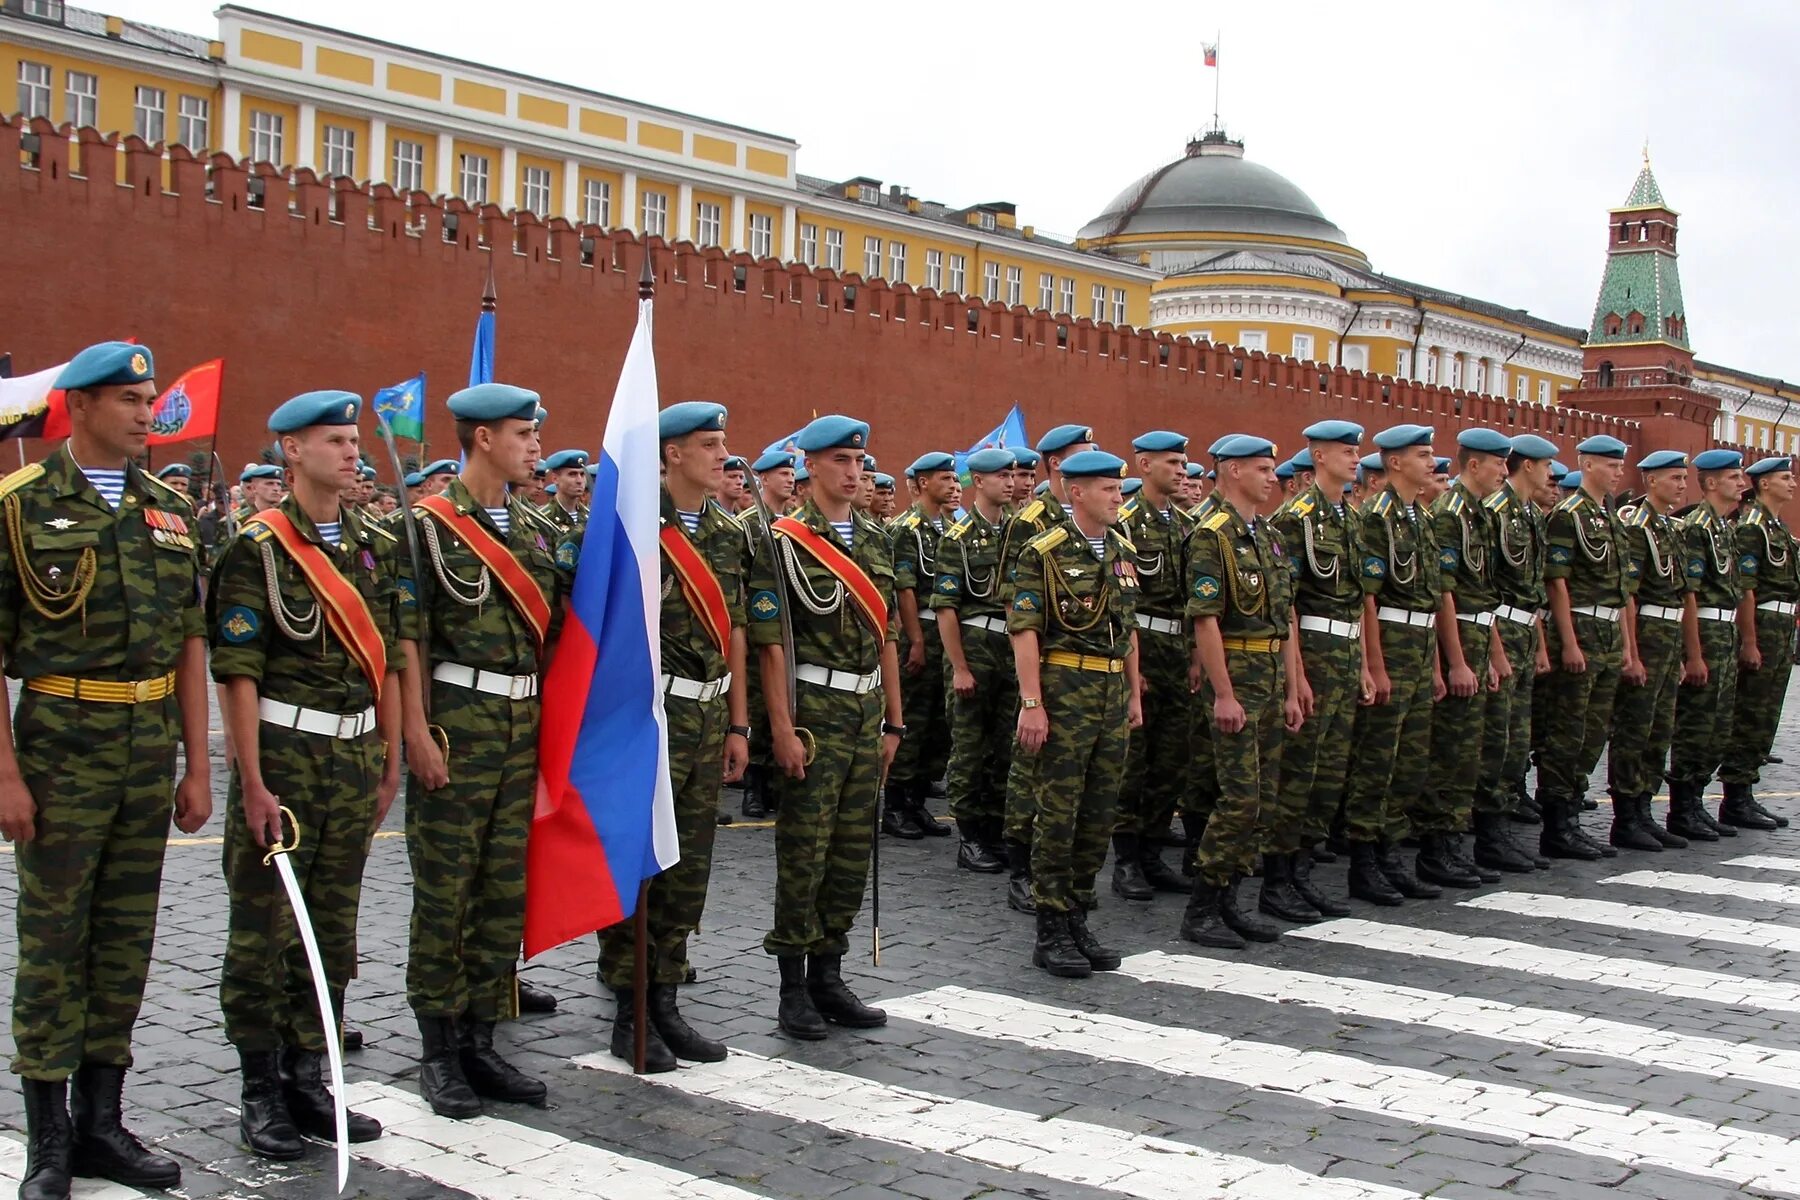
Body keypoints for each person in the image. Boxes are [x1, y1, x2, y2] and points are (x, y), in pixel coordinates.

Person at [0, 341, 211, 1197]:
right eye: (130, 399)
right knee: (54, 941)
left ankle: (103, 1123)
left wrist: (199, 765)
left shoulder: (169, 511)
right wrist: (5, 775)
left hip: (146, 743)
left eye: (151, 398)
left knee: (126, 941)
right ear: (79, 406)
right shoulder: (18, 505)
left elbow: (192, 643)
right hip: (59, 741)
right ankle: (47, 1138)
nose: (146, 413)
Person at [208, 389, 400, 1158]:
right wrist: (250, 779)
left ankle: (309, 1078)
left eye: (354, 441)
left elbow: (387, 657)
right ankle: (260, 1090)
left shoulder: (372, 545)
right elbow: (239, 674)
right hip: (284, 758)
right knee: (263, 930)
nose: (352, 452)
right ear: (291, 451)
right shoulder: (255, 549)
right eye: (334, 441)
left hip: (352, 758)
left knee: (332, 926)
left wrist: (386, 755)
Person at [398, 382, 571, 1117]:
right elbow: (407, 640)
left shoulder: (534, 529)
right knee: (446, 894)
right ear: (481, 440)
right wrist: (414, 734)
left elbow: (558, 632)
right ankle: (439, 1052)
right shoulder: (428, 529)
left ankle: (480, 1038)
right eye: (522, 433)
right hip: (457, 726)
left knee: (502, 893)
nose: (534, 445)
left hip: (520, 727)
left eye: (534, 434)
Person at [598, 402, 749, 1071]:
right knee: (642, 867)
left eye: (723, 444)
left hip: (708, 715)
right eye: (708, 445)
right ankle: (629, 1011)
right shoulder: (633, 524)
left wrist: (739, 723)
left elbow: (735, 633)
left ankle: (665, 1001)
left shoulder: (726, 530)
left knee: (687, 872)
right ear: (671, 455)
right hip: (646, 717)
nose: (722, 456)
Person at [746, 415, 902, 1040]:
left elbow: (886, 633)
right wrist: (780, 729)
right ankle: (792, 984)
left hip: (866, 714)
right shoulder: (782, 541)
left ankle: (830, 973)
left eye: (858, 460)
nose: (852, 471)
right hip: (813, 711)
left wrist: (896, 720)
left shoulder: (874, 537)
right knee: (804, 852)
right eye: (838, 460)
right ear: (810, 467)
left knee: (850, 850)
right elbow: (770, 646)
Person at [1008, 450, 1142, 976]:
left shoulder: (1122, 550)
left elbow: (1127, 631)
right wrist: (1032, 703)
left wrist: (1134, 692)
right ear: (1077, 492)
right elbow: (1025, 630)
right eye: (1108, 489)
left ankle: (1078, 915)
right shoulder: (1043, 552)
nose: (1117, 498)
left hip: (1109, 690)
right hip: (1065, 688)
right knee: (1058, 814)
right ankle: (1050, 927)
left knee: (1099, 813)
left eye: (1119, 490)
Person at [1181, 435, 1299, 947]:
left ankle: (1231, 899)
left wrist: (1294, 688)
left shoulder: (1265, 534)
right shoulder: (1213, 536)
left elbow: (1284, 618)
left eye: (1272, 468)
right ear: (1231, 472)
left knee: (1264, 798)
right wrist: (1223, 693)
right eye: (1261, 468)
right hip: (1238, 675)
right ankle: (1202, 906)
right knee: (1239, 798)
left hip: (1271, 675)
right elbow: (1206, 621)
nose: (1272, 477)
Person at [1266, 420, 1366, 920]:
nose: (1355, 460)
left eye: (1356, 452)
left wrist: (1366, 663)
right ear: (1319, 458)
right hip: (1314, 653)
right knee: (1299, 772)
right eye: (1346, 452)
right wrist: (1297, 675)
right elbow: (1287, 607)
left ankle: (1302, 869)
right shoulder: (1296, 519)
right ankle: (1278, 877)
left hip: (1346, 655)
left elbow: (1359, 601)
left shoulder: (1349, 517)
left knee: (1328, 774)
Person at [996, 425, 1097, 913]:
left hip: (1092, 674)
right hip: (1046, 662)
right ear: (1058, 465)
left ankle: (1063, 872)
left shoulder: (1096, 523)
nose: (1092, 460)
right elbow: (1011, 600)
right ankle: (1022, 866)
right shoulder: (1032, 522)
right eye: (1084, 455)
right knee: (1029, 769)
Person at [1343, 424, 1444, 904]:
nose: (1432, 463)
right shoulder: (1375, 518)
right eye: (1423, 455)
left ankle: (1390, 853)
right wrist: (1376, 666)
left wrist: (1439, 666)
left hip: (1421, 646)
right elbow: (1368, 600)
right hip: (1393, 641)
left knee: (1410, 760)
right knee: (1378, 758)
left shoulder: (1419, 518)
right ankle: (1365, 861)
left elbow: (1431, 599)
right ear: (1396, 463)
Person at [1419, 429, 1515, 885]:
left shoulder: (1481, 515)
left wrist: (1494, 654)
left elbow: (1485, 597)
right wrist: (1456, 662)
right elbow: (1445, 593)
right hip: (1455, 639)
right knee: (1451, 749)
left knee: (1473, 750)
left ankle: (1456, 842)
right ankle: (1438, 848)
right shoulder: (1449, 514)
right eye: (1498, 463)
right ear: (1474, 465)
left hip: (1479, 635)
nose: (1504, 471)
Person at [1537, 435, 1635, 860]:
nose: (1618, 472)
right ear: (1588, 465)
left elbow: (1623, 590)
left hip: (1610, 630)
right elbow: (1556, 581)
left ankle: (1573, 810)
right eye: (1610, 465)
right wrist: (1570, 643)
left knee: (1594, 731)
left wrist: (1628, 648)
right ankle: (1558, 824)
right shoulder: (1567, 515)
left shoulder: (1608, 516)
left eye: (1620, 465)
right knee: (1567, 729)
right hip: (1579, 627)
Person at [1112, 431, 1195, 900]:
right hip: (1141, 648)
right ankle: (1126, 859)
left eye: (1184, 463)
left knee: (1172, 760)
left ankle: (1152, 852)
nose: (1181, 470)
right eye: (1171, 462)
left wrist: (1197, 657)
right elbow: (1123, 605)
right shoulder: (1125, 523)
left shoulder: (1185, 525)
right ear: (1143, 465)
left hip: (1179, 652)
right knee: (1136, 762)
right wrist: (1132, 665)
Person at [933, 447, 1016, 874]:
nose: (1010, 481)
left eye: (1012, 474)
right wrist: (960, 666)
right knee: (969, 746)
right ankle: (970, 836)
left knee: (1005, 746)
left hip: (1011, 652)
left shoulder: (1018, 535)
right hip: (974, 646)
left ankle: (996, 829)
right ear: (978, 481)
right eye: (1000, 475)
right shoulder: (957, 537)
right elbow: (946, 608)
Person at [1607, 450, 1693, 849]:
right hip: (1646, 633)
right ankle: (1626, 815)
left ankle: (1645, 807)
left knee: (1659, 730)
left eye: (1683, 477)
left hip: (1668, 635)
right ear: (1651, 481)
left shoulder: (1672, 528)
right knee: (1635, 728)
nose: (1681, 485)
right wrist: (1633, 653)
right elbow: (1629, 595)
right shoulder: (1635, 527)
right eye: (1674, 478)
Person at [1478, 435, 1557, 864]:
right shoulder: (1494, 513)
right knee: (1497, 739)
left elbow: (1535, 591)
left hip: (1525, 630)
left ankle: (1502, 827)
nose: (1550, 475)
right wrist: (1495, 651)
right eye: (1546, 466)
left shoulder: (1528, 515)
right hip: (1501, 629)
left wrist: (1540, 644)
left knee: (1516, 738)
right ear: (1526, 466)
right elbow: (1484, 589)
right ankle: (1490, 836)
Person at [1666, 449, 1749, 841]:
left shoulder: (1723, 527)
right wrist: (1694, 654)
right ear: (1712, 482)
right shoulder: (1697, 527)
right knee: (1696, 723)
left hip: (1725, 632)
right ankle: (1683, 807)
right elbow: (1689, 595)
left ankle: (1696, 800)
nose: (1742, 484)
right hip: (1706, 632)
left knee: (1717, 724)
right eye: (1734, 477)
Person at [1719, 455, 1798, 829]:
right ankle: (1735, 797)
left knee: (1766, 714)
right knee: (1750, 712)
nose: (1792, 483)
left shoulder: (1777, 528)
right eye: (1786, 477)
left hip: (1781, 625)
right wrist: (1749, 641)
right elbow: (1746, 591)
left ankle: (1746, 792)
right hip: (1763, 623)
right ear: (1764, 483)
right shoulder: (1752, 528)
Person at [884, 452, 957, 839]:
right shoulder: (906, 529)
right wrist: (914, 640)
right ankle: (896, 804)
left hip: (946, 633)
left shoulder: (949, 526)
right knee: (913, 718)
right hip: (921, 629)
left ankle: (917, 801)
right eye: (944, 478)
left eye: (953, 477)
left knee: (937, 724)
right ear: (923, 483)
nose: (952, 484)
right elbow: (904, 589)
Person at [538, 449, 590, 538]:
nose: (579, 480)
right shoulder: (542, 518)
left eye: (582, 474)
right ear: (555, 479)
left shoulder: (590, 517)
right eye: (572, 474)